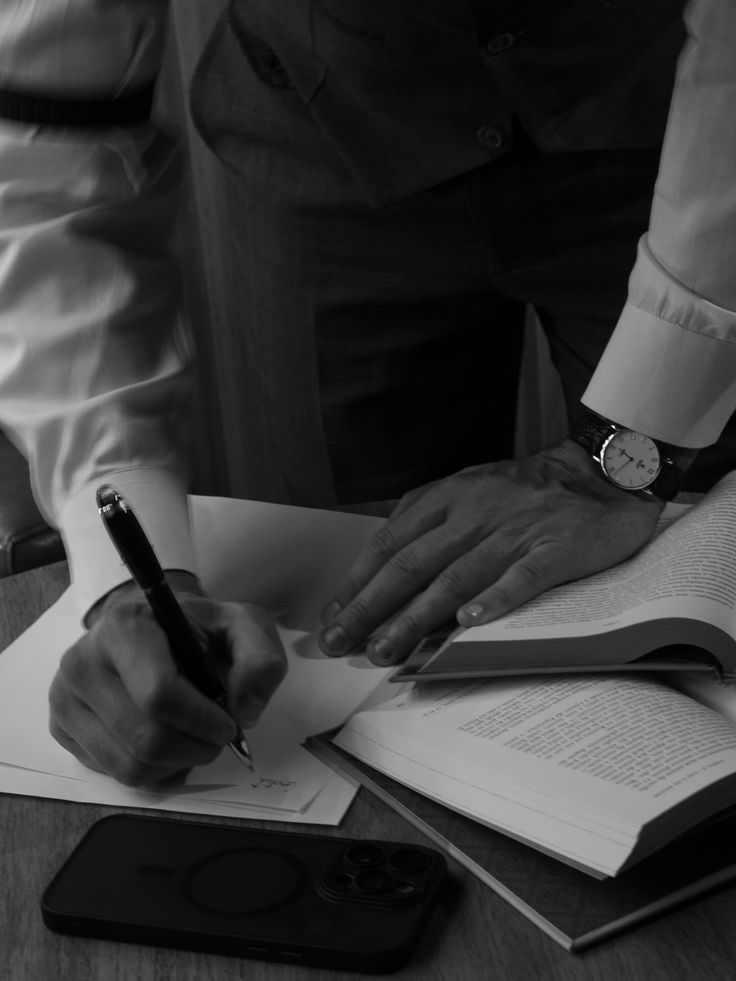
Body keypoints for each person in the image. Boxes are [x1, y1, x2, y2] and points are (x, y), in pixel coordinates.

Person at [0, 0, 734, 785]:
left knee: (699, 561)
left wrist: (619, 455)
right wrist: (126, 567)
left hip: (687, 138)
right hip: (326, 124)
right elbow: (45, 136)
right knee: (360, 602)